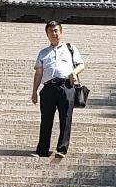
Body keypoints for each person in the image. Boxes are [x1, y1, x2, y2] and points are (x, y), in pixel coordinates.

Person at [31, 20, 84, 160]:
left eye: (56, 31)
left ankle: (62, 149)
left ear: (61, 32)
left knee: (65, 118)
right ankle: (42, 149)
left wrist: (74, 72)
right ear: (47, 34)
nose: (54, 34)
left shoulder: (70, 48)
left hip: (66, 87)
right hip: (48, 88)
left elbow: (81, 64)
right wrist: (34, 91)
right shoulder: (43, 53)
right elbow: (38, 73)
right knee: (46, 119)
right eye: (51, 31)